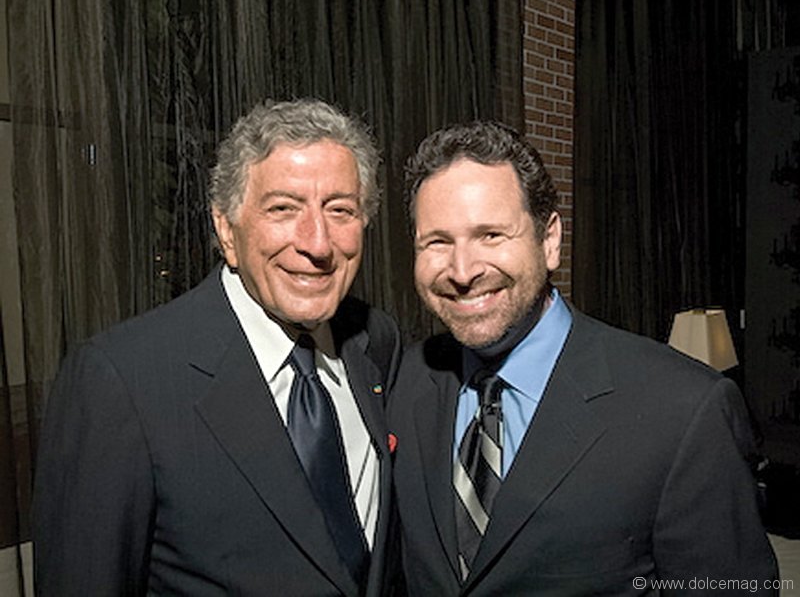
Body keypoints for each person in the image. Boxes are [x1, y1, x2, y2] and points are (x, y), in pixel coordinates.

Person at [389, 120, 778, 595]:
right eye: (437, 241)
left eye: (491, 235)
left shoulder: (684, 409)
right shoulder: (406, 379)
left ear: (549, 240)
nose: (463, 270)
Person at [33, 99, 402, 596]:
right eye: (283, 209)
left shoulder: (376, 343)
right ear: (226, 229)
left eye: (340, 210)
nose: (317, 243)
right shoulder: (121, 382)